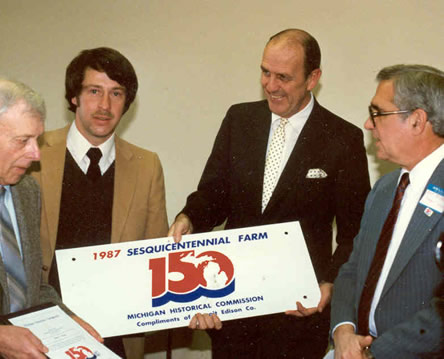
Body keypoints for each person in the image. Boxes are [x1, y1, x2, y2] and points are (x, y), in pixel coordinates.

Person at [168, 29, 371, 358]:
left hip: (298, 314)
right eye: (265, 72)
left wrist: (330, 284)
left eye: (284, 77)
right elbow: (213, 194)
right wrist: (188, 217)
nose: (271, 85)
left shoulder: (342, 139)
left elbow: (353, 233)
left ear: (312, 78)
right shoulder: (239, 119)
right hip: (233, 308)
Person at [0, 78, 101, 358]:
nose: (35, 154)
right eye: (22, 141)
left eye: (37, 140)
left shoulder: (26, 191)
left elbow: (30, 286)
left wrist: (67, 321)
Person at [29, 47, 168, 358]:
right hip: (42, 332)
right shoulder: (33, 153)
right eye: (94, 91)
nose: (105, 105)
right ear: (74, 96)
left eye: (116, 94)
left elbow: (157, 256)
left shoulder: (147, 165)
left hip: (116, 336)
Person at [330, 64, 444, 358]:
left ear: (417, 121)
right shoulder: (385, 188)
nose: (369, 124)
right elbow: (352, 268)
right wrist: (343, 331)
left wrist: (376, 353)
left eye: (377, 113)